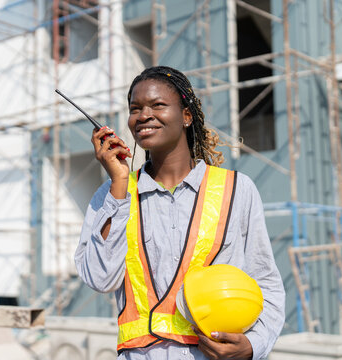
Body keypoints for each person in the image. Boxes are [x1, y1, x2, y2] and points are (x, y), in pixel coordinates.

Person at [74, 66, 285, 360]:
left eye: (157, 105)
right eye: (135, 108)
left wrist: (254, 345)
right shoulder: (112, 196)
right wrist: (119, 185)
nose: (143, 115)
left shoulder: (237, 189)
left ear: (186, 115)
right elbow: (100, 279)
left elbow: (266, 283)